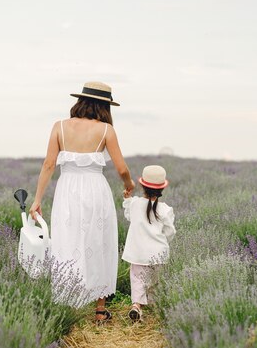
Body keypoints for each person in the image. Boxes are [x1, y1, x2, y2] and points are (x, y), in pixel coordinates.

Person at [29, 81, 135, 323]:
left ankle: (69, 304)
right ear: (104, 106)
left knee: (67, 242)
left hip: (67, 191)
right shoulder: (106, 130)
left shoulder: (59, 127)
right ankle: (100, 311)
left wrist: (37, 200)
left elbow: (48, 165)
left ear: (81, 101)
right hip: (96, 190)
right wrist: (129, 185)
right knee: (98, 243)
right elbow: (121, 168)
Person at [122, 165, 176, 322]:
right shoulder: (165, 209)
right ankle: (155, 306)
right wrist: (163, 241)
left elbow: (128, 215)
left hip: (138, 253)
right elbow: (170, 231)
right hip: (158, 253)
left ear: (142, 185)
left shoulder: (135, 204)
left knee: (138, 279)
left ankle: (137, 306)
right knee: (155, 280)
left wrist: (126, 199)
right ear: (162, 189)